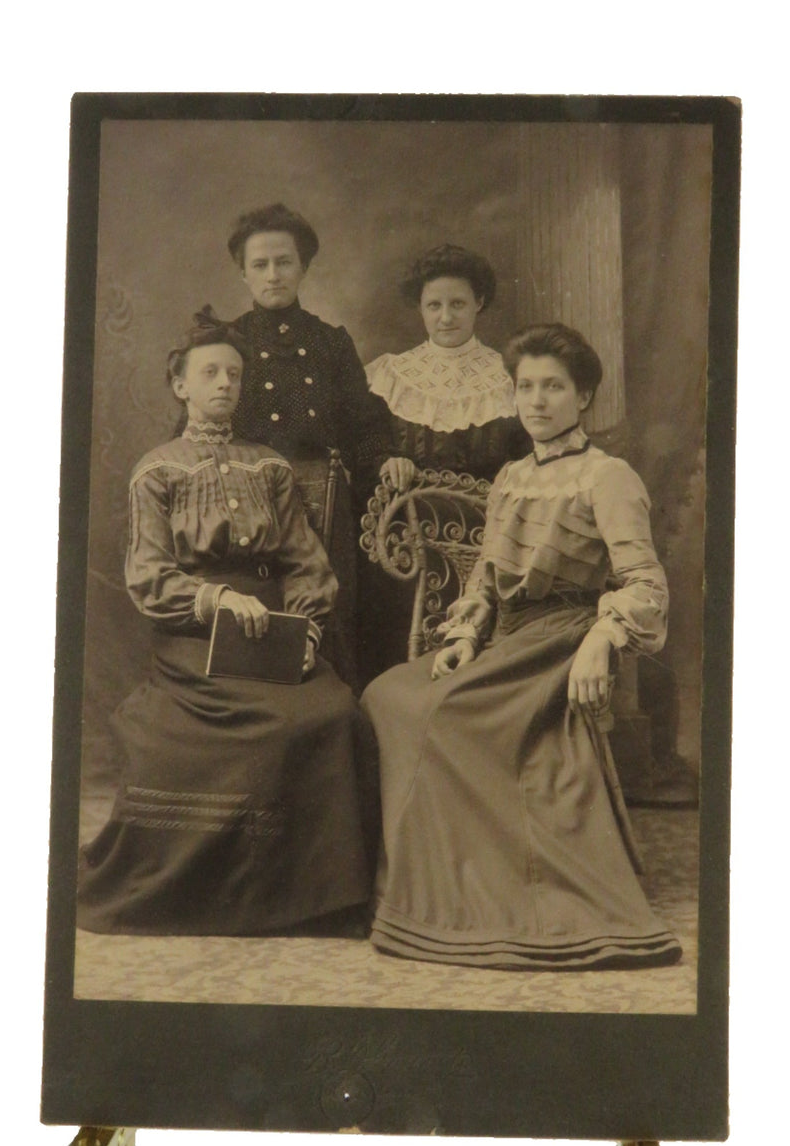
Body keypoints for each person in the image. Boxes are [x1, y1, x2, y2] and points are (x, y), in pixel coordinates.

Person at [361, 323, 682, 969]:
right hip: (504, 635)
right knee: (388, 693)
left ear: (583, 396)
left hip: (561, 637)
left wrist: (601, 640)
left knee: (446, 714)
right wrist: (462, 635)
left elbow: (646, 583)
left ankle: (477, 888)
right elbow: (484, 577)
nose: (537, 401)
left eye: (553, 387)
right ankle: (423, 875)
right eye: (526, 387)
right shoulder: (510, 475)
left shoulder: (608, 475)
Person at [77, 316, 377, 936]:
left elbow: (305, 561)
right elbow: (150, 577)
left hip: (276, 630)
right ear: (180, 384)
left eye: (234, 374)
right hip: (194, 639)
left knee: (334, 712)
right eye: (209, 372)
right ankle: (223, 895)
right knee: (248, 729)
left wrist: (307, 632)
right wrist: (215, 598)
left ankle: (316, 899)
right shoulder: (156, 470)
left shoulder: (268, 467)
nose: (224, 384)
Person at [225, 202, 391, 690]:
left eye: (284, 262)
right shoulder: (227, 343)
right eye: (260, 265)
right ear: (243, 273)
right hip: (246, 507)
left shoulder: (330, 342)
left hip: (326, 510)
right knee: (253, 619)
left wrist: (387, 456)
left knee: (327, 628)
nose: (273, 275)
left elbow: (363, 420)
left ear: (303, 267)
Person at [366, 244, 529, 491]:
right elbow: (369, 448)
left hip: (492, 522)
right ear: (420, 307)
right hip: (407, 523)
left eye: (457, 304)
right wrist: (388, 461)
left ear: (479, 302)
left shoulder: (510, 376)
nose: (446, 318)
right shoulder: (391, 376)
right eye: (434, 305)